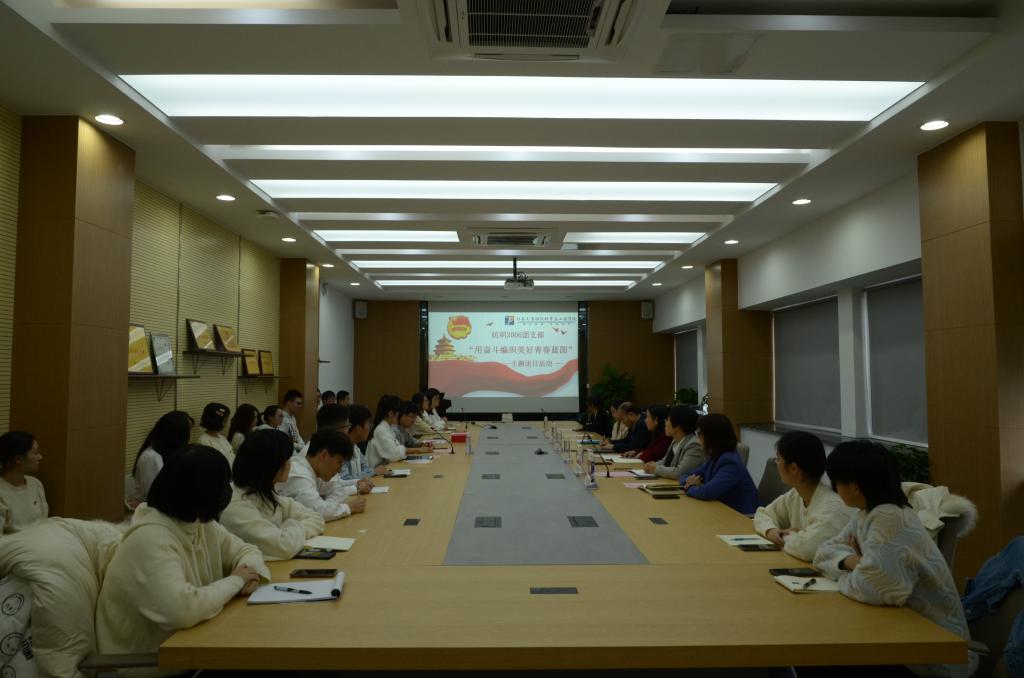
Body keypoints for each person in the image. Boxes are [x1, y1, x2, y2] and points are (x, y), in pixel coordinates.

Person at [813, 441, 976, 678]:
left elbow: (873, 590)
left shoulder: (890, 518)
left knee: (817, 662)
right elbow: (822, 552)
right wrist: (852, 562)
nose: (835, 488)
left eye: (836, 482)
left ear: (855, 487)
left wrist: (848, 575)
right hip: (899, 636)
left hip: (930, 656)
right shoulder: (867, 513)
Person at [96, 445, 270, 663]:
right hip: (148, 663)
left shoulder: (198, 523)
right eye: (222, 484)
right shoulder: (150, 539)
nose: (228, 491)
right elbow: (183, 610)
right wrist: (236, 581)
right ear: (201, 491)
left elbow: (246, 550)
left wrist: (249, 575)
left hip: (195, 647)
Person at [220, 429, 325, 560]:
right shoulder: (235, 505)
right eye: (287, 459)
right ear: (273, 465)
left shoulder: (264, 493)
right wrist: (291, 527)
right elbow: (284, 546)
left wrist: (289, 530)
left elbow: (317, 518)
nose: (290, 463)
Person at [753, 431, 854, 561]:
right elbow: (763, 513)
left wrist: (785, 536)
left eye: (778, 459)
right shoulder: (796, 494)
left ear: (794, 469)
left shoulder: (833, 507)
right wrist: (771, 530)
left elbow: (807, 549)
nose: (776, 464)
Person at [276, 429, 366, 520]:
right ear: (323, 455)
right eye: (339, 462)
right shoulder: (299, 475)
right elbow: (318, 513)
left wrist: (328, 507)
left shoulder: (317, 470)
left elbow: (338, 489)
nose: (340, 470)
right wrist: (348, 508)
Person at [681, 413, 759, 514]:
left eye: (700, 434)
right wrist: (690, 482)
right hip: (721, 510)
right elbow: (685, 475)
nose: (698, 438)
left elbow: (707, 492)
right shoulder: (715, 457)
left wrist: (690, 487)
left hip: (741, 516)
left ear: (711, 437)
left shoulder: (730, 463)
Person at [131, 410, 193, 507]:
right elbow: (155, 494)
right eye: (187, 432)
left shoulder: (168, 451)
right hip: (151, 508)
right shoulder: (151, 457)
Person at [308, 404, 372, 496]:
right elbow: (323, 500)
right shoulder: (320, 451)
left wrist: (357, 483)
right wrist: (356, 488)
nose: (349, 430)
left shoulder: (330, 448)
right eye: (347, 426)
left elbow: (335, 484)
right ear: (336, 429)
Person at [0, 431, 47, 534]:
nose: (40, 457)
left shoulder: (35, 484)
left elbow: (44, 522)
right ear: (18, 459)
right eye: (36, 453)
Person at [366, 395, 431, 469]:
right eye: (398, 413)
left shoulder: (387, 427)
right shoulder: (381, 430)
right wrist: (418, 450)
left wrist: (419, 447)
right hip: (378, 470)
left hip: (387, 467)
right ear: (391, 413)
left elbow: (397, 447)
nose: (399, 415)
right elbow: (394, 454)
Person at [644, 406, 703, 480]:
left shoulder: (694, 445)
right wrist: (652, 465)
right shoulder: (675, 440)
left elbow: (681, 473)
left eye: (667, 420)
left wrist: (655, 469)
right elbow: (665, 461)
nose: (665, 423)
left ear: (677, 426)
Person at [341, 404, 388, 481]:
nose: (370, 427)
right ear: (358, 428)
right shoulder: (340, 449)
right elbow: (346, 480)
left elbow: (366, 468)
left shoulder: (355, 447)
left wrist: (372, 472)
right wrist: (374, 471)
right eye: (369, 424)